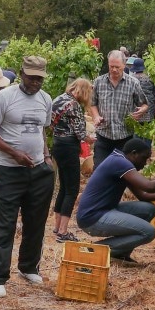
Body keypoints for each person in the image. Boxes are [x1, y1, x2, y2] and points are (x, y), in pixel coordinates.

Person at [0, 56, 55, 298]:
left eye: (39, 79)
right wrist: (14, 153)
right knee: (5, 224)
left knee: (36, 223)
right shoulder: (4, 97)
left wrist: (46, 157)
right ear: (22, 73)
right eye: (31, 77)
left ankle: (29, 266)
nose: (35, 82)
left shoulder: (46, 100)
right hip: (9, 170)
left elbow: (41, 131)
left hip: (38, 171)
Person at [76, 138, 155, 265]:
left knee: (149, 209)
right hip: (92, 218)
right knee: (149, 232)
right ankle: (92, 250)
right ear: (134, 154)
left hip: (104, 211)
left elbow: (143, 196)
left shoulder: (122, 162)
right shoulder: (120, 163)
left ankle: (120, 253)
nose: (145, 164)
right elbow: (149, 186)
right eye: (144, 158)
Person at [50, 78, 95, 242]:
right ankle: (63, 232)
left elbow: (50, 123)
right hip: (69, 148)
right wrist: (90, 139)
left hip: (57, 145)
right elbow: (80, 133)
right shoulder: (74, 105)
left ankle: (56, 226)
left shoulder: (59, 99)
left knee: (63, 186)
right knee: (72, 189)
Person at [90, 50, 148, 169]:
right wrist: (96, 116)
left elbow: (144, 104)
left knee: (122, 173)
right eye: (111, 66)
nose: (114, 70)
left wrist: (141, 111)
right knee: (99, 169)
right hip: (104, 135)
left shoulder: (133, 83)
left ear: (124, 65)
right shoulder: (99, 82)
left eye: (117, 67)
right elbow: (93, 103)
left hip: (125, 137)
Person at [129, 58, 155, 146]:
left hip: (136, 109)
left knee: (136, 131)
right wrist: (153, 109)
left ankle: (137, 152)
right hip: (149, 108)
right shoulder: (150, 79)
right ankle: (147, 152)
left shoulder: (131, 79)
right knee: (148, 132)